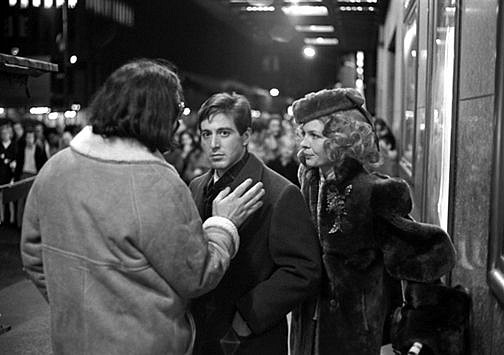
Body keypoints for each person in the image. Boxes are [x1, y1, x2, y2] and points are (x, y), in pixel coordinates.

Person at [20, 59, 265, 355]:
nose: (177, 124)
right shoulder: (157, 182)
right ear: (160, 117)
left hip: (71, 341)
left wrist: (78, 309)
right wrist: (223, 225)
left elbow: (33, 255)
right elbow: (197, 276)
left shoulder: (54, 168)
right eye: (176, 112)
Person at [289, 88, 456, 355]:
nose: (304, 143)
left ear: (340, 139)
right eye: (303, 134)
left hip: (357, 334)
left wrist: (419, 331)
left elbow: (426, 257)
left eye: (314, 135)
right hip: (307, 328)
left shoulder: (374, 191)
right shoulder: (308, 184)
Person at [189, 92, 322, 355]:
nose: (214, 144)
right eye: (207, 134)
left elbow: (304, 269)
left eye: (224, 133)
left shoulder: (279, 192)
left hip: (251, 341)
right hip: (201, 334)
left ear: (246, 136)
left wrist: (247, 318)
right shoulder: (196, 185)